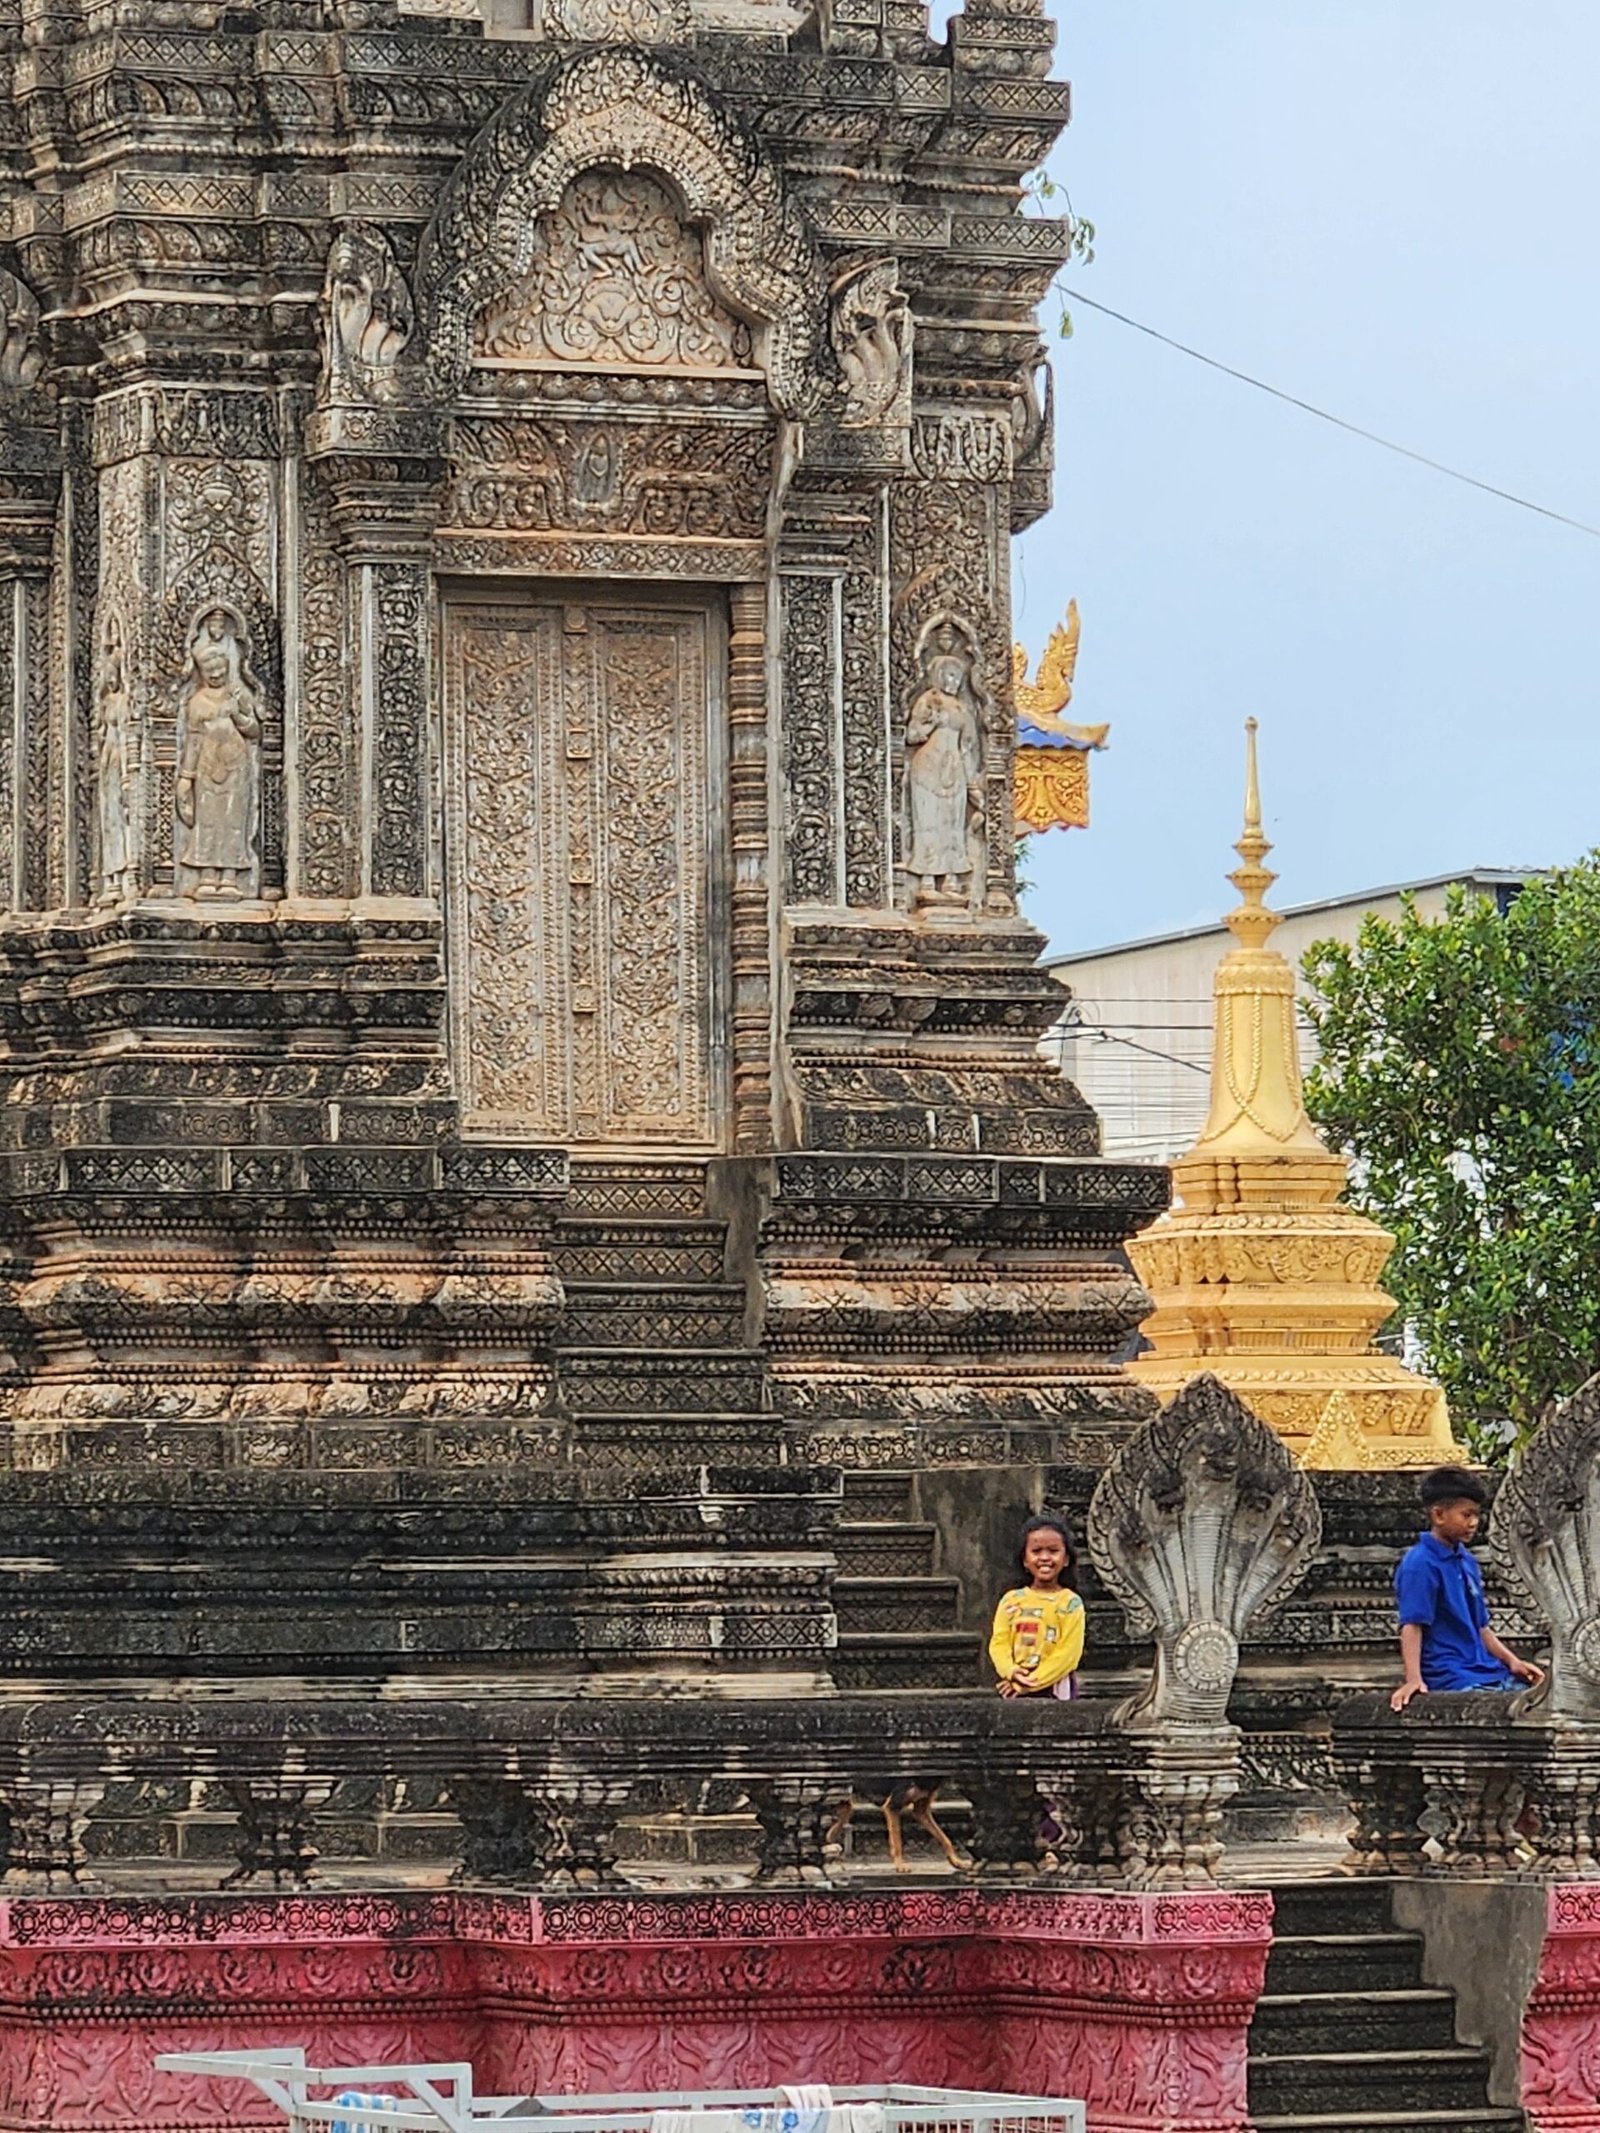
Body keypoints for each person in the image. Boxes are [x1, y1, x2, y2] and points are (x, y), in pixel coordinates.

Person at [1390, 1465, 1546, 1712]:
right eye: (1466, 1515)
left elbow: (1481, 1627)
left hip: (1485, 1669)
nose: (1474, 1523)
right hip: (1451, 1673)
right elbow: (1412, 1625)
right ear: (1439, 1515)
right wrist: (1414, 1680)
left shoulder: (1466, 1560)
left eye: (1476, 1515)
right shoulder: (1420, 1563)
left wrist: (1513, 1661)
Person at [989, 1514, 1085, 1700]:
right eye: (1036, 1551)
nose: (1045, 1558)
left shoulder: (1070, 1603)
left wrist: (1031, 1682)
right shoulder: (1011, 1601)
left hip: (1055, 1689)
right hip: (1013, 1685)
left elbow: (1068, 1654)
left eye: (1053, 1550)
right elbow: (999, 1643)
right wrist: (1011, 1672)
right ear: (1025, 1559)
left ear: (1066, 1559)